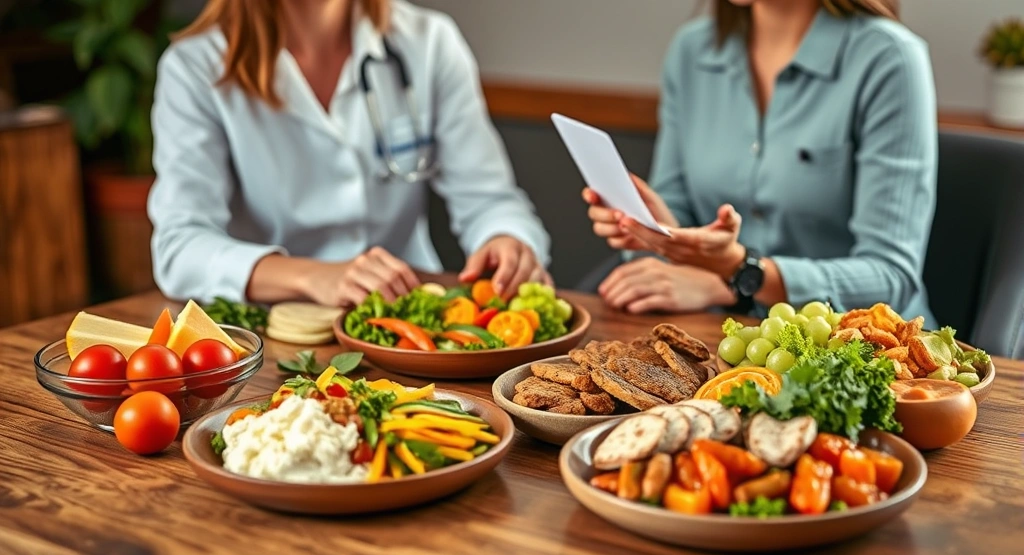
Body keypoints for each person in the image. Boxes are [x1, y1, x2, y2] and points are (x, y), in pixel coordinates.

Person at [148, 0, 551, 307]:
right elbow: (179, 248)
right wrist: (312, 276)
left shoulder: (429, 42)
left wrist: (507, 239)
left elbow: (489, 200)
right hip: (273, 331)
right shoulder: (195, 66)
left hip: (403, 315)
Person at [583, 0, 937, 323]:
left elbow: (890, 276)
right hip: (721, 333)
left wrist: (735, 278)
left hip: (862, 349)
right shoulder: (691, 51)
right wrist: (656, 232)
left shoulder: (891, 58)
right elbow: (677, 206)